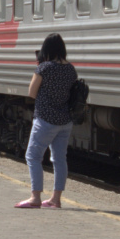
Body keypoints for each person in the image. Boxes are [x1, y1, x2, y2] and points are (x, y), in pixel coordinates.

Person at [15, 33, 77, 209]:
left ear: (46, 50)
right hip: (65, 121)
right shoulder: (71, 69)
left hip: (45, 120)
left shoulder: (44, 68)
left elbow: (32, 92)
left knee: (33, 156)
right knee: (59, 159)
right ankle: (55, 199)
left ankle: (35, 197)